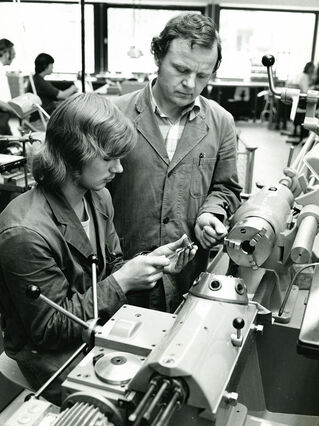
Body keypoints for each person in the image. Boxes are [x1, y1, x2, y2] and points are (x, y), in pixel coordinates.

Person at [0, 93, 197, 404]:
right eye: (108, 158)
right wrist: (123, 282)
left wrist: (150, 266)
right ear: (71, 153)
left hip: (96, 332)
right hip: (49, 355)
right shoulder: (24, 234)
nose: (118, 169)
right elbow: (49, 328)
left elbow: (110, 267)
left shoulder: (99, 198)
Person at [110, 13, 242, 312]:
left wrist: (211, 213)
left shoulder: (221, 122)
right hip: (120, 271)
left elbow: (226, 188)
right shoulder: (114, 114)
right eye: (180, 69)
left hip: (187, 275)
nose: (190, 83)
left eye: (203, 76)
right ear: (158, 56)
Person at [0, 38, 18, 136]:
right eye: (12, 51)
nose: (14, 54)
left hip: (3, 119)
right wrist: (14, 110)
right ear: (5, 52)